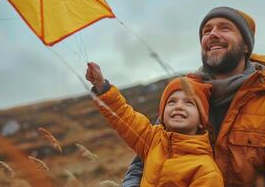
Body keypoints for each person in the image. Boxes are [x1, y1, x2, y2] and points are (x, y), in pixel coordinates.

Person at [123, 6, 265, 187]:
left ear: (246, 45)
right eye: (206, 31)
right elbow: (143, 162)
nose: (212, 34)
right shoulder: (185, 97)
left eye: (225, 28)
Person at [86, 62, 224, 186]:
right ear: (162, 116)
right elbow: (122, 115)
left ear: (202, 120)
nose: (179, 106)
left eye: (189, 102)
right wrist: (101, 86)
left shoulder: (206, 171)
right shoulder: (152, 139)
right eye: (172, 102)